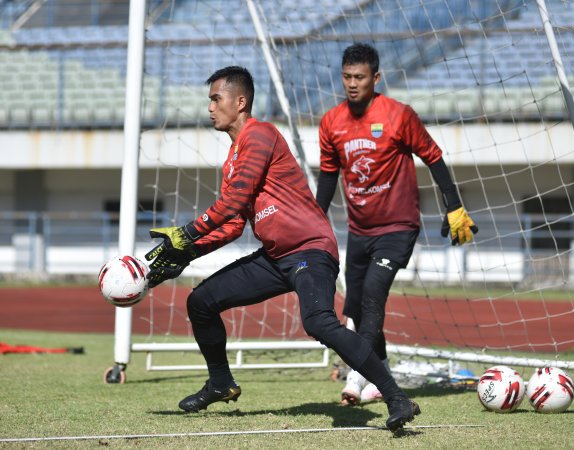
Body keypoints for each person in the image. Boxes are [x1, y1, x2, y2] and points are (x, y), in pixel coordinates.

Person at [144, 66, 420, 434]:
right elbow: (232, 223)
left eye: (215, 98)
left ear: (239, 102)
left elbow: (232, 202)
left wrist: (186, 234)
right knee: (201, 302)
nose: (210, 107)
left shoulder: (260, 135)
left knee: (318, 322)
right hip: (276, 258)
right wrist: (186, 254)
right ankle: (220, 383)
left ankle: (395, 396)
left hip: (311, 250)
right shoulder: (232, 161)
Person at [315, 43, 478, 405]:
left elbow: (433, 157)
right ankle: (381, 369)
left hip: (398, 227)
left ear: (376, 77)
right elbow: (328, 178)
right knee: (356, 306)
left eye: (359, 77)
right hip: (358, 231)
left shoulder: (399, 115)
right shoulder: (331, 122)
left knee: (374, 291)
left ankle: (360, 375)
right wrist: (313, 219)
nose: (352, 84)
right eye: (346, 77)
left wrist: (454, 206)